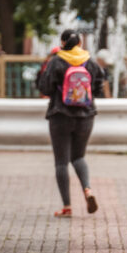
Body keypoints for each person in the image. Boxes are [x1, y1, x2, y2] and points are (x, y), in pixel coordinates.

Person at [37, 29, 105, 218]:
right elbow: (98, 87)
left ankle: (67, 206)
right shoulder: (90, 62)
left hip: (60, 115)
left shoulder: (57, 61)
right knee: (79, 157)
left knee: (61, 162)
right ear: (79, 44)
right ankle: (88, 190)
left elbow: (44, 87)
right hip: (86, 116)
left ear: (62, 42)